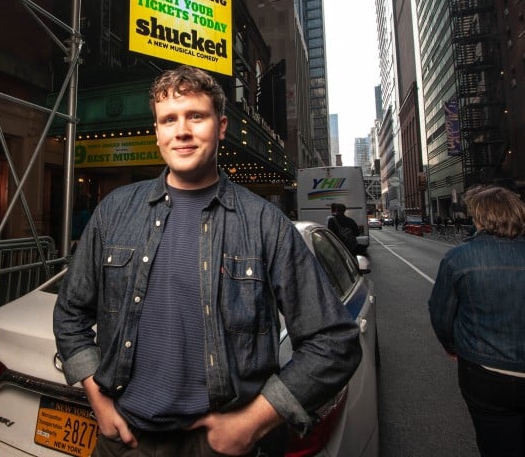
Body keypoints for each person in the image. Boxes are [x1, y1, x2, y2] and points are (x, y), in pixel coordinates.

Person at [54, 65, 361, 456]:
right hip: (125, 442)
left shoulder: (265, 223)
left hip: (222, 447)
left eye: (195, 116)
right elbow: (70, 315)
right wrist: (98, 401)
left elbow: (335, 341)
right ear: (158, 133)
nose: (181, 130)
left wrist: (251, 425)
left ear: (221, 127)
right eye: (169, 119)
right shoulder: (114, 211)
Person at [428, 186, 525, 457]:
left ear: (480, 219)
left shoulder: (459, 258)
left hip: (486, 374)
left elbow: (441, 314)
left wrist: (452, 346)